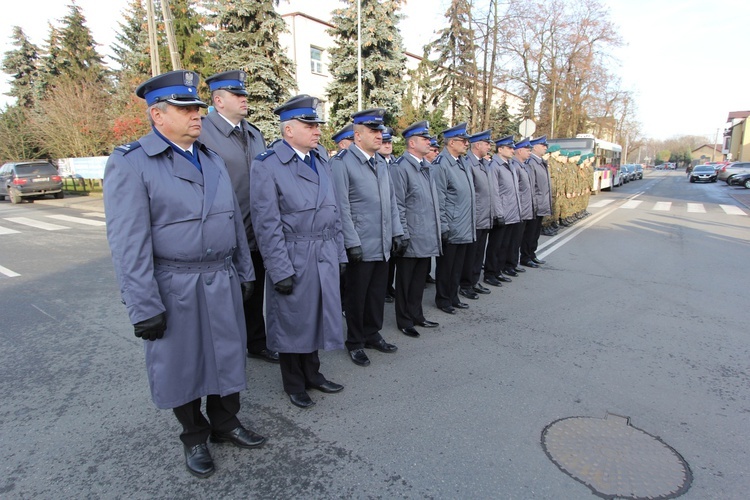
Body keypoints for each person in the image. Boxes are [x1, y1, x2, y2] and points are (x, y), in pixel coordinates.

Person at [104, 70, 264, 479]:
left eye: (197, 107)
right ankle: (194, 435)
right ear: (158, 116)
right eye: (186, 108)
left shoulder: (210, 158)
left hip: (220, 276)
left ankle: (226, 422)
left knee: (227, 353)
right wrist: (143, 306)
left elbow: (231, 220)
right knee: (183, 362)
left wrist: (245, 269)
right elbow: (129, 243)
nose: (197, 114)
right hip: (174, 283)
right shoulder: (132, 163)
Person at [249, 95, 346, 409]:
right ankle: (294, 382)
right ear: (288, 130)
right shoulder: (268, 165)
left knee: (316, 316)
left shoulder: (320, 159)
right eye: (309, 124)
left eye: (316, 124)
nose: (316, 130)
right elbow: (267, 223)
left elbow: (335, 211)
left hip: (324, 250)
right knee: (293, 322)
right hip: (294, 254)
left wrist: (341, 253)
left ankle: (313, 374)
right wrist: (279, 269)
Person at [200, 69, 279, 364]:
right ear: (219, 101)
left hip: (255, 229)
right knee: (223, 298)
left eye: (244, 94)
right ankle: (223, 350)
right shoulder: (203, 133)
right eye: (238, 95)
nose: (245, 99)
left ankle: (256, 342)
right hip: (223, 230)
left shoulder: (254, 133)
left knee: (254, 289)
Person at [331, 108, 406, 367]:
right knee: (357, 296)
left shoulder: (381, 163)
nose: (379, 135)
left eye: (380, 131)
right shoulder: (342, 163)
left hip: (382, 241)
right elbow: (341, 208)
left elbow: (392, 202)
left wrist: (397, 232)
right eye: (373, 131)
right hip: (361, 244)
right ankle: (355, 341)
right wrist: (350, 242)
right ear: (358, 135)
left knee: (375, 294)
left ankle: (372, 333)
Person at [391, 121, 442, 338]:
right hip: (411, 235)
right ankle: (404, 320)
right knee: (405, 282)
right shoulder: (401, 167)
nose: (429, 142)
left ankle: (417, 315)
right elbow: (398, 204)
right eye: (424, 139)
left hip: (426, 233)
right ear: (412, 143)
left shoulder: (425, 166)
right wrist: (402, 233)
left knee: (420, 279)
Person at [432, 123, 476, 314]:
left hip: (464, 222)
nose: (467, 143)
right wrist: (443, 225)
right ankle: (443, 299)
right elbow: (439, 199)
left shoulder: (461, 162)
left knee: (458, 265)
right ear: (451, 142)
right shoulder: (441, 164)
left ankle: (453, 295)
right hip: (451, 223)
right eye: (463, 140)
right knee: (446, 266)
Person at [459, 130, 495, 299]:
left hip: (484, 216)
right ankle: (466, 284)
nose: (489, 147)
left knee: (479, 252)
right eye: (487, 144)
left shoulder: (483, 164)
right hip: (474, 216)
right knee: (470, 254)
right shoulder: (469, 164)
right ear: (478, 145)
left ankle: (474, 281)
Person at [487, 135, 522, 283]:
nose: (512, 150)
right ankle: (490, 273)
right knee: (496, 246)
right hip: (502, 213)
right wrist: (498, 214)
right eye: (509, 148)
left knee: (504, 245)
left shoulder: (510, 165)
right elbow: (495, 192)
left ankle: (499, 270)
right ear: (500, 149)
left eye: (513, 148)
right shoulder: (495, 166)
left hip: (512, 212)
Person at [521, 136, 551, 267]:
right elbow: (531, 186)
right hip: (535, 204)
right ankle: (526, 256)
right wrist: (533, 204)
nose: (545, 148)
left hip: (541, 203)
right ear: (535, 147)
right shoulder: (532, 163)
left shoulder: (541, 162)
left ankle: (532, 254)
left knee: (535, 233)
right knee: (530, 233)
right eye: (543, 145)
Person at [379, 126, 399, 303]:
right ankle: (383, 289)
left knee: (392, 257)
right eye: (384, 142)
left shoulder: (394, 162)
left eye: (389, 142)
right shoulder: (377, 162)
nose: (387, 145)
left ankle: (388, 286)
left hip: (393, 215)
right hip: (380, 220)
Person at [510, 138, 534, 274]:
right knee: (513, 240)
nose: (529, 152)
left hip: (524, 208)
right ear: (519, 151)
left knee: (517, 239)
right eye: (527, 150)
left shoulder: (523, 166)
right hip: (517, 209)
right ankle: (510, 264)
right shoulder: (515, 166)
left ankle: (513, 263)